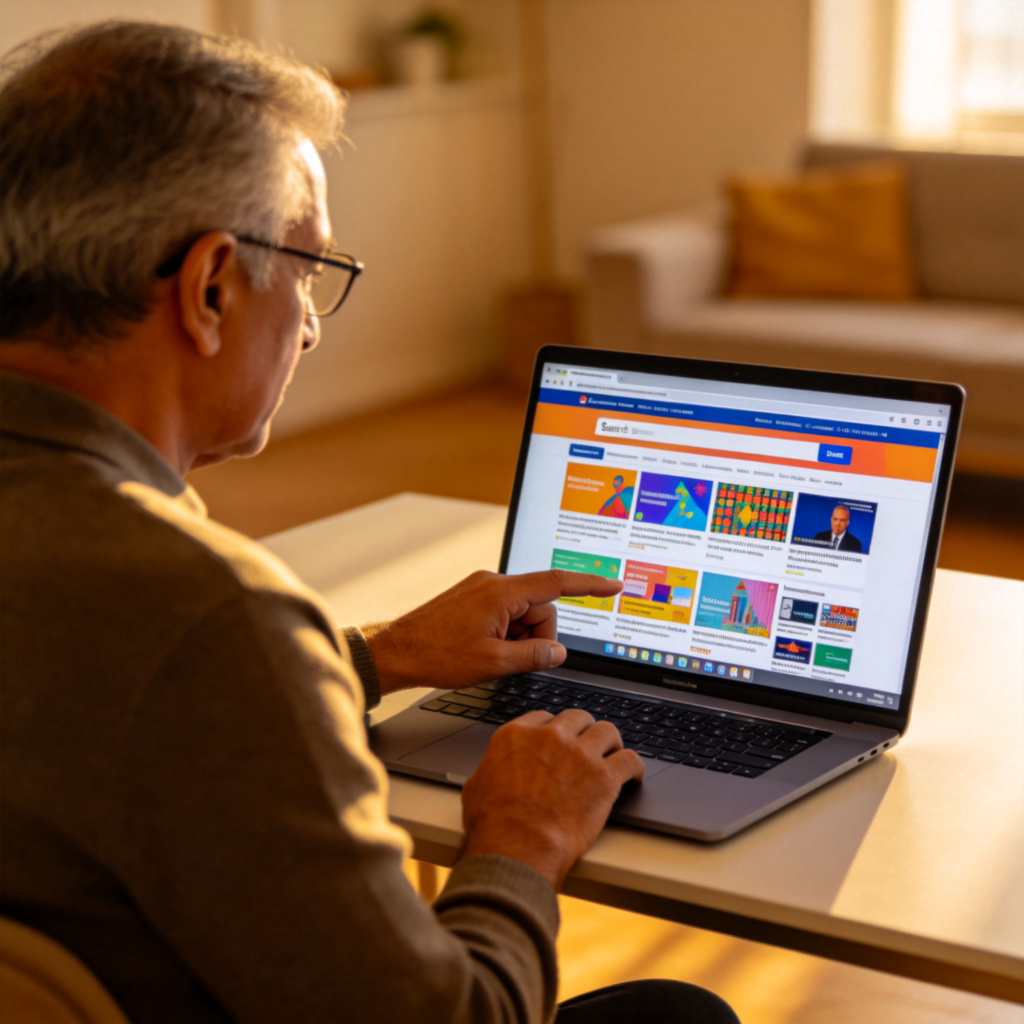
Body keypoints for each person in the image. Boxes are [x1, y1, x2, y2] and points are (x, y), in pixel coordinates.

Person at [0, 21, 739, 1024]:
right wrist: (521, 837)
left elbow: (86, 696)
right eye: (306, 270)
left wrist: (376, 656)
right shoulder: (208, 611)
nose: (307, 321)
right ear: (210, 287)